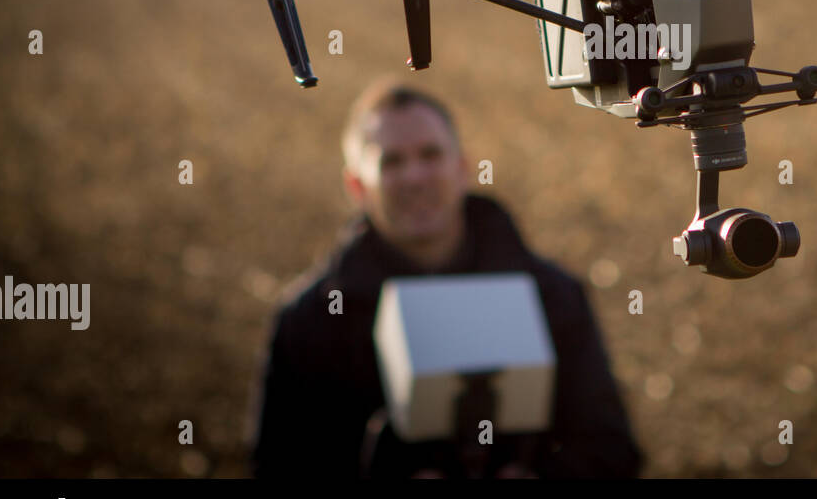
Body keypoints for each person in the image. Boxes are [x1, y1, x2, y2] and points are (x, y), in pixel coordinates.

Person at [250, 76, 642, 478]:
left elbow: (613, 451)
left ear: (462, 168)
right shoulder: (310, 321)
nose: (415, 177)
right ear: (357, 186)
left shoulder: (553, 297)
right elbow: (277, 466)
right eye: (392, 162)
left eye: (430, 154)